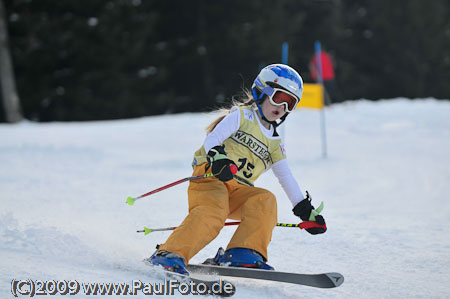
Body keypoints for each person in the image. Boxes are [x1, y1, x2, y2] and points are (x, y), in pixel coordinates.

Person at [148, 64, 327, 275]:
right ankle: (168, 254)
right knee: (213, 212)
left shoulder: (275, 144)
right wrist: (218, 157)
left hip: (238, 189)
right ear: (262, 91)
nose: (283, 108)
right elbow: (213, 138)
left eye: (290, 104)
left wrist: (305, 210)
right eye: (280, 98)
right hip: (211, 177)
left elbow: (286, 176)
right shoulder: (242, 116)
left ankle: (243, 251)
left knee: (264, 199)